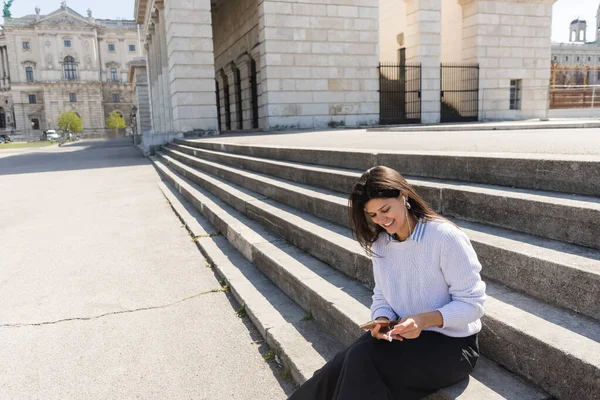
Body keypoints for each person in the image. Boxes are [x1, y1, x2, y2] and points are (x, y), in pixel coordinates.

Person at [288, 166, 486, 400]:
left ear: (403, 196)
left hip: (453, 346)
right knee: (340, 365)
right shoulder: (382, 244)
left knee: (363, 361)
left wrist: (423, 320)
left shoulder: (444, 237)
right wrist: (381, 320)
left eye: (385, 209)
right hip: (403, 336)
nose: (381, 220)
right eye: (372, 215)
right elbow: (381, 295)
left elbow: (473, 305)